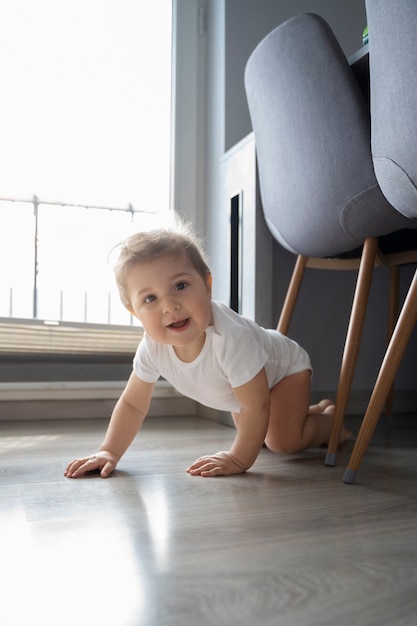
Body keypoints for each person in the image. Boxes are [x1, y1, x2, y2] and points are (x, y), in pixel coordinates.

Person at [65, 224, 350, 479]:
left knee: (281, 441)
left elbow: (256, 406)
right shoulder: (152, 347)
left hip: (283, 370)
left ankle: (330, 422)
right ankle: (312, 411)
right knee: (260, 431)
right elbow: (133, 405)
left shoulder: (230, 338)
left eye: (180, 286)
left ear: (207, 285)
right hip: (246, 388)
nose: (170, 306)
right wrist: (109, 452)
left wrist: (238, 459)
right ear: (134, 312)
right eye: (150, 298)